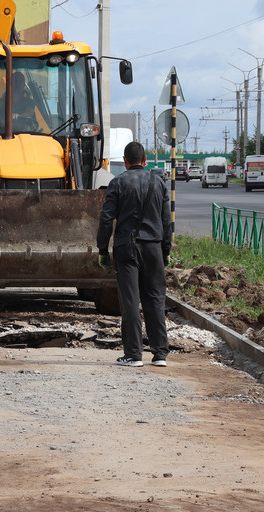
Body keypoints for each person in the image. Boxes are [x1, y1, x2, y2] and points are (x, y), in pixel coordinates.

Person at [96, 140, 172, 368]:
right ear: (145, 161)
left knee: (130, 300)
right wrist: (165, 251)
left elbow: (106, 219)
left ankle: (133, 355)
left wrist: (102, 250)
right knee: (156, 299)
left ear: (126, 161)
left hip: (126, 248)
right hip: (154, 248)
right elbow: (167, 222)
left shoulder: (117, 183)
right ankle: (160, 354)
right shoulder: (159, 183)